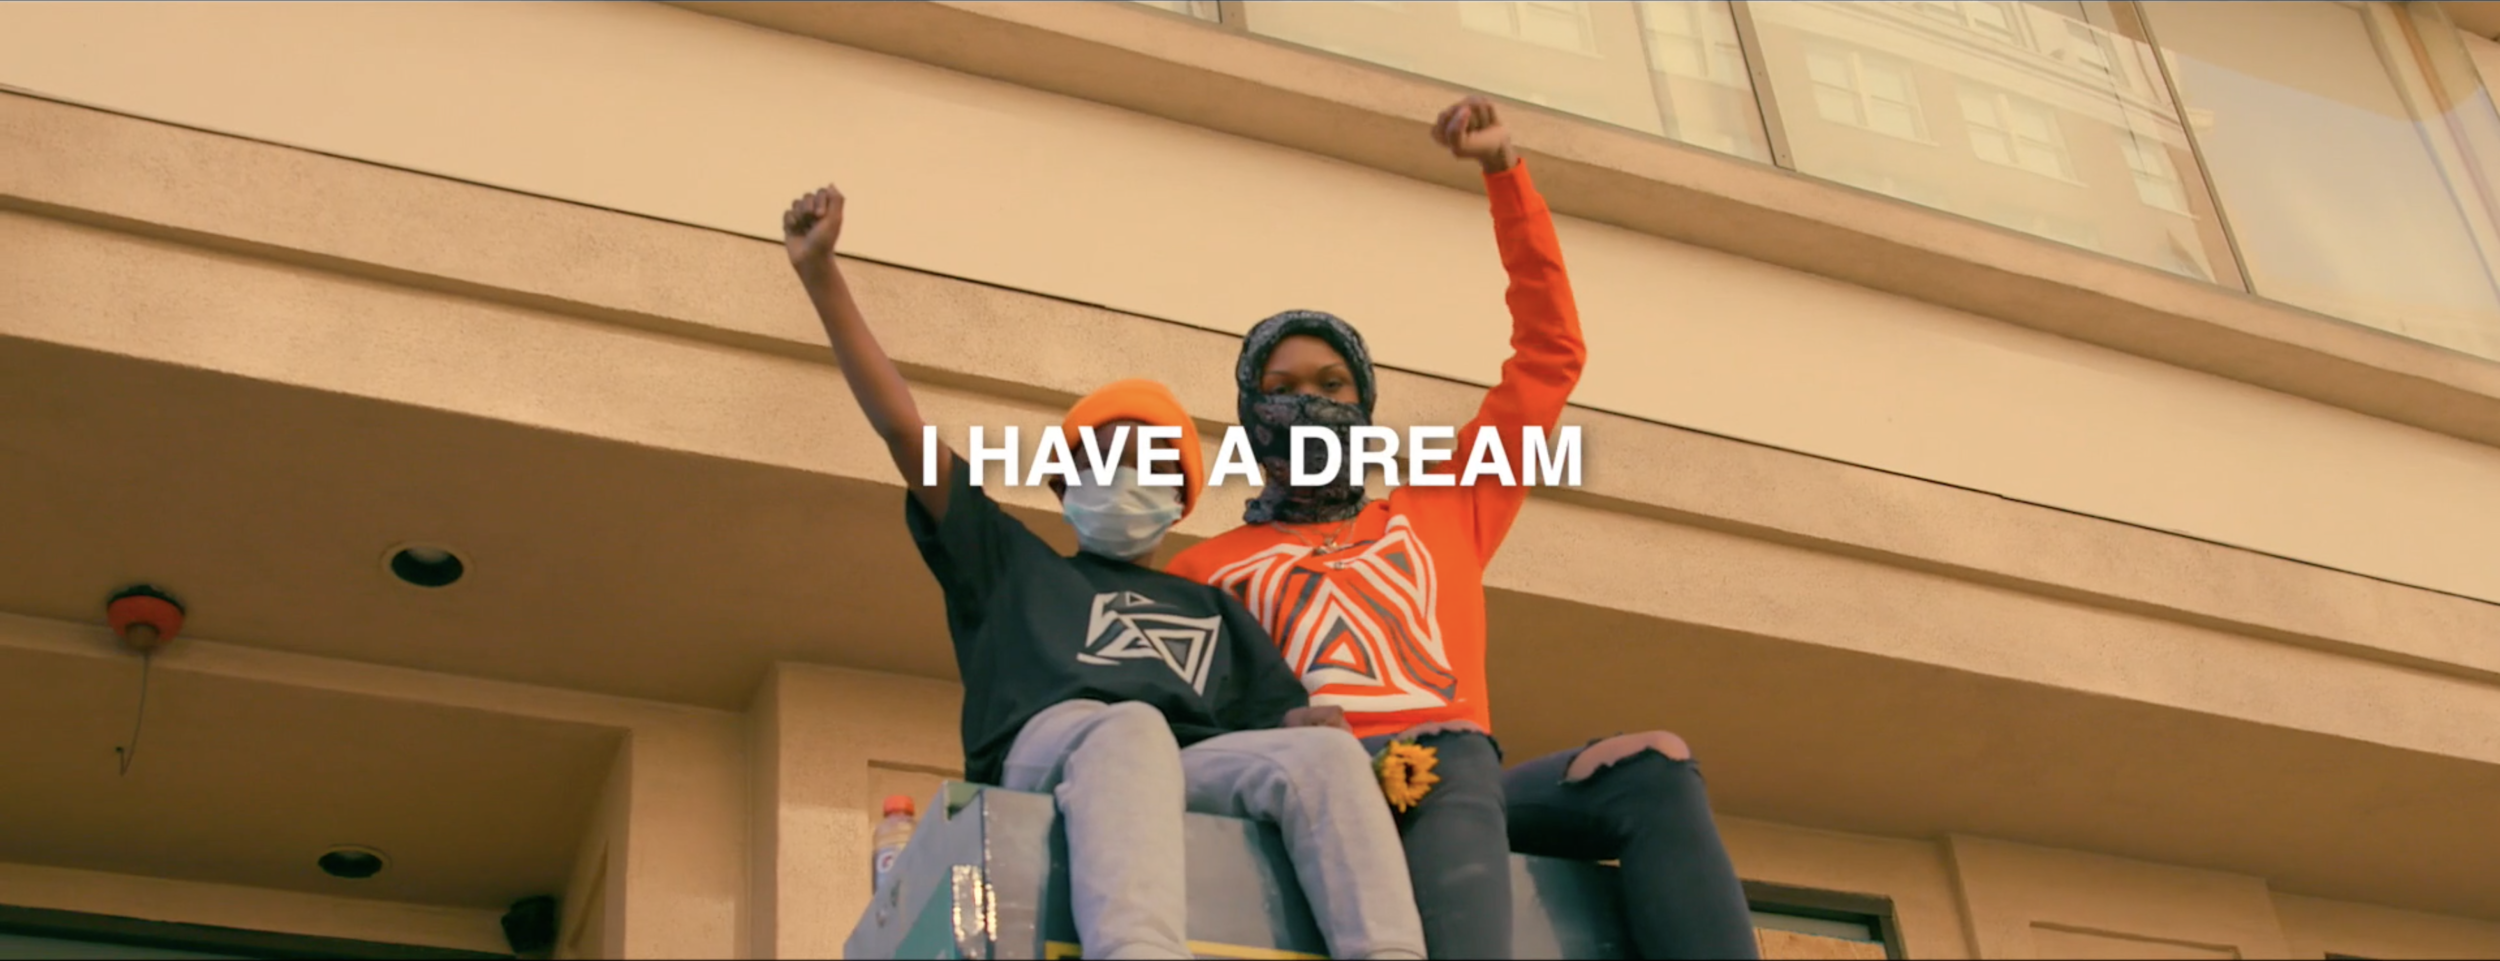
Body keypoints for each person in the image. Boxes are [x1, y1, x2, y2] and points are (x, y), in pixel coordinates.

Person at [1164, 96, 1759, 960]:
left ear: (1363, 407)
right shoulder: (1205, 569)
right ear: (1252, 412)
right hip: (1328, 790)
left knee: (1653, 766)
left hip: (1461, 782)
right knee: (1451, 759)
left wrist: (1504, 172)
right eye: (1283, 388)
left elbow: (1550, 355)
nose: (1309, 403)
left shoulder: (1444, 506)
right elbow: (1182, 724)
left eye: (1332, 385)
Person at [782, 182, 1427, 960]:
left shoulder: (1213, 609)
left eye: (1151, 460)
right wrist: (821, 274)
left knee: (1324, 757)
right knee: (1131, 727)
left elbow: (1279, 724)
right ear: (1064, 482)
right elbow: (902, 430)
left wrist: (1316, 727)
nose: (1126, 473)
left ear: (1179, 498)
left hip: (1182, 769)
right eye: (1105, 455)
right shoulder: (1009, 565)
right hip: (1053, 754)